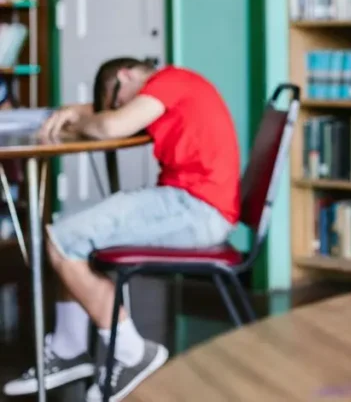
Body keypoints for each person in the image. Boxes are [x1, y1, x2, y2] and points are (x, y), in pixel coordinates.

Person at [3, 58, 241, 402]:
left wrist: (92, 117)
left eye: (117, 101)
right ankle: (69, 348)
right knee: (70, 232)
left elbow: (111, 127)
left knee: (62, 240)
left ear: (125, 77)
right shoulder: (175, 85)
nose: (120, 109)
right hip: (192, 204)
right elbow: (114, 117)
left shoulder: (169, 81)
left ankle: (131, 353)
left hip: (196, 208)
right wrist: (81, 111)